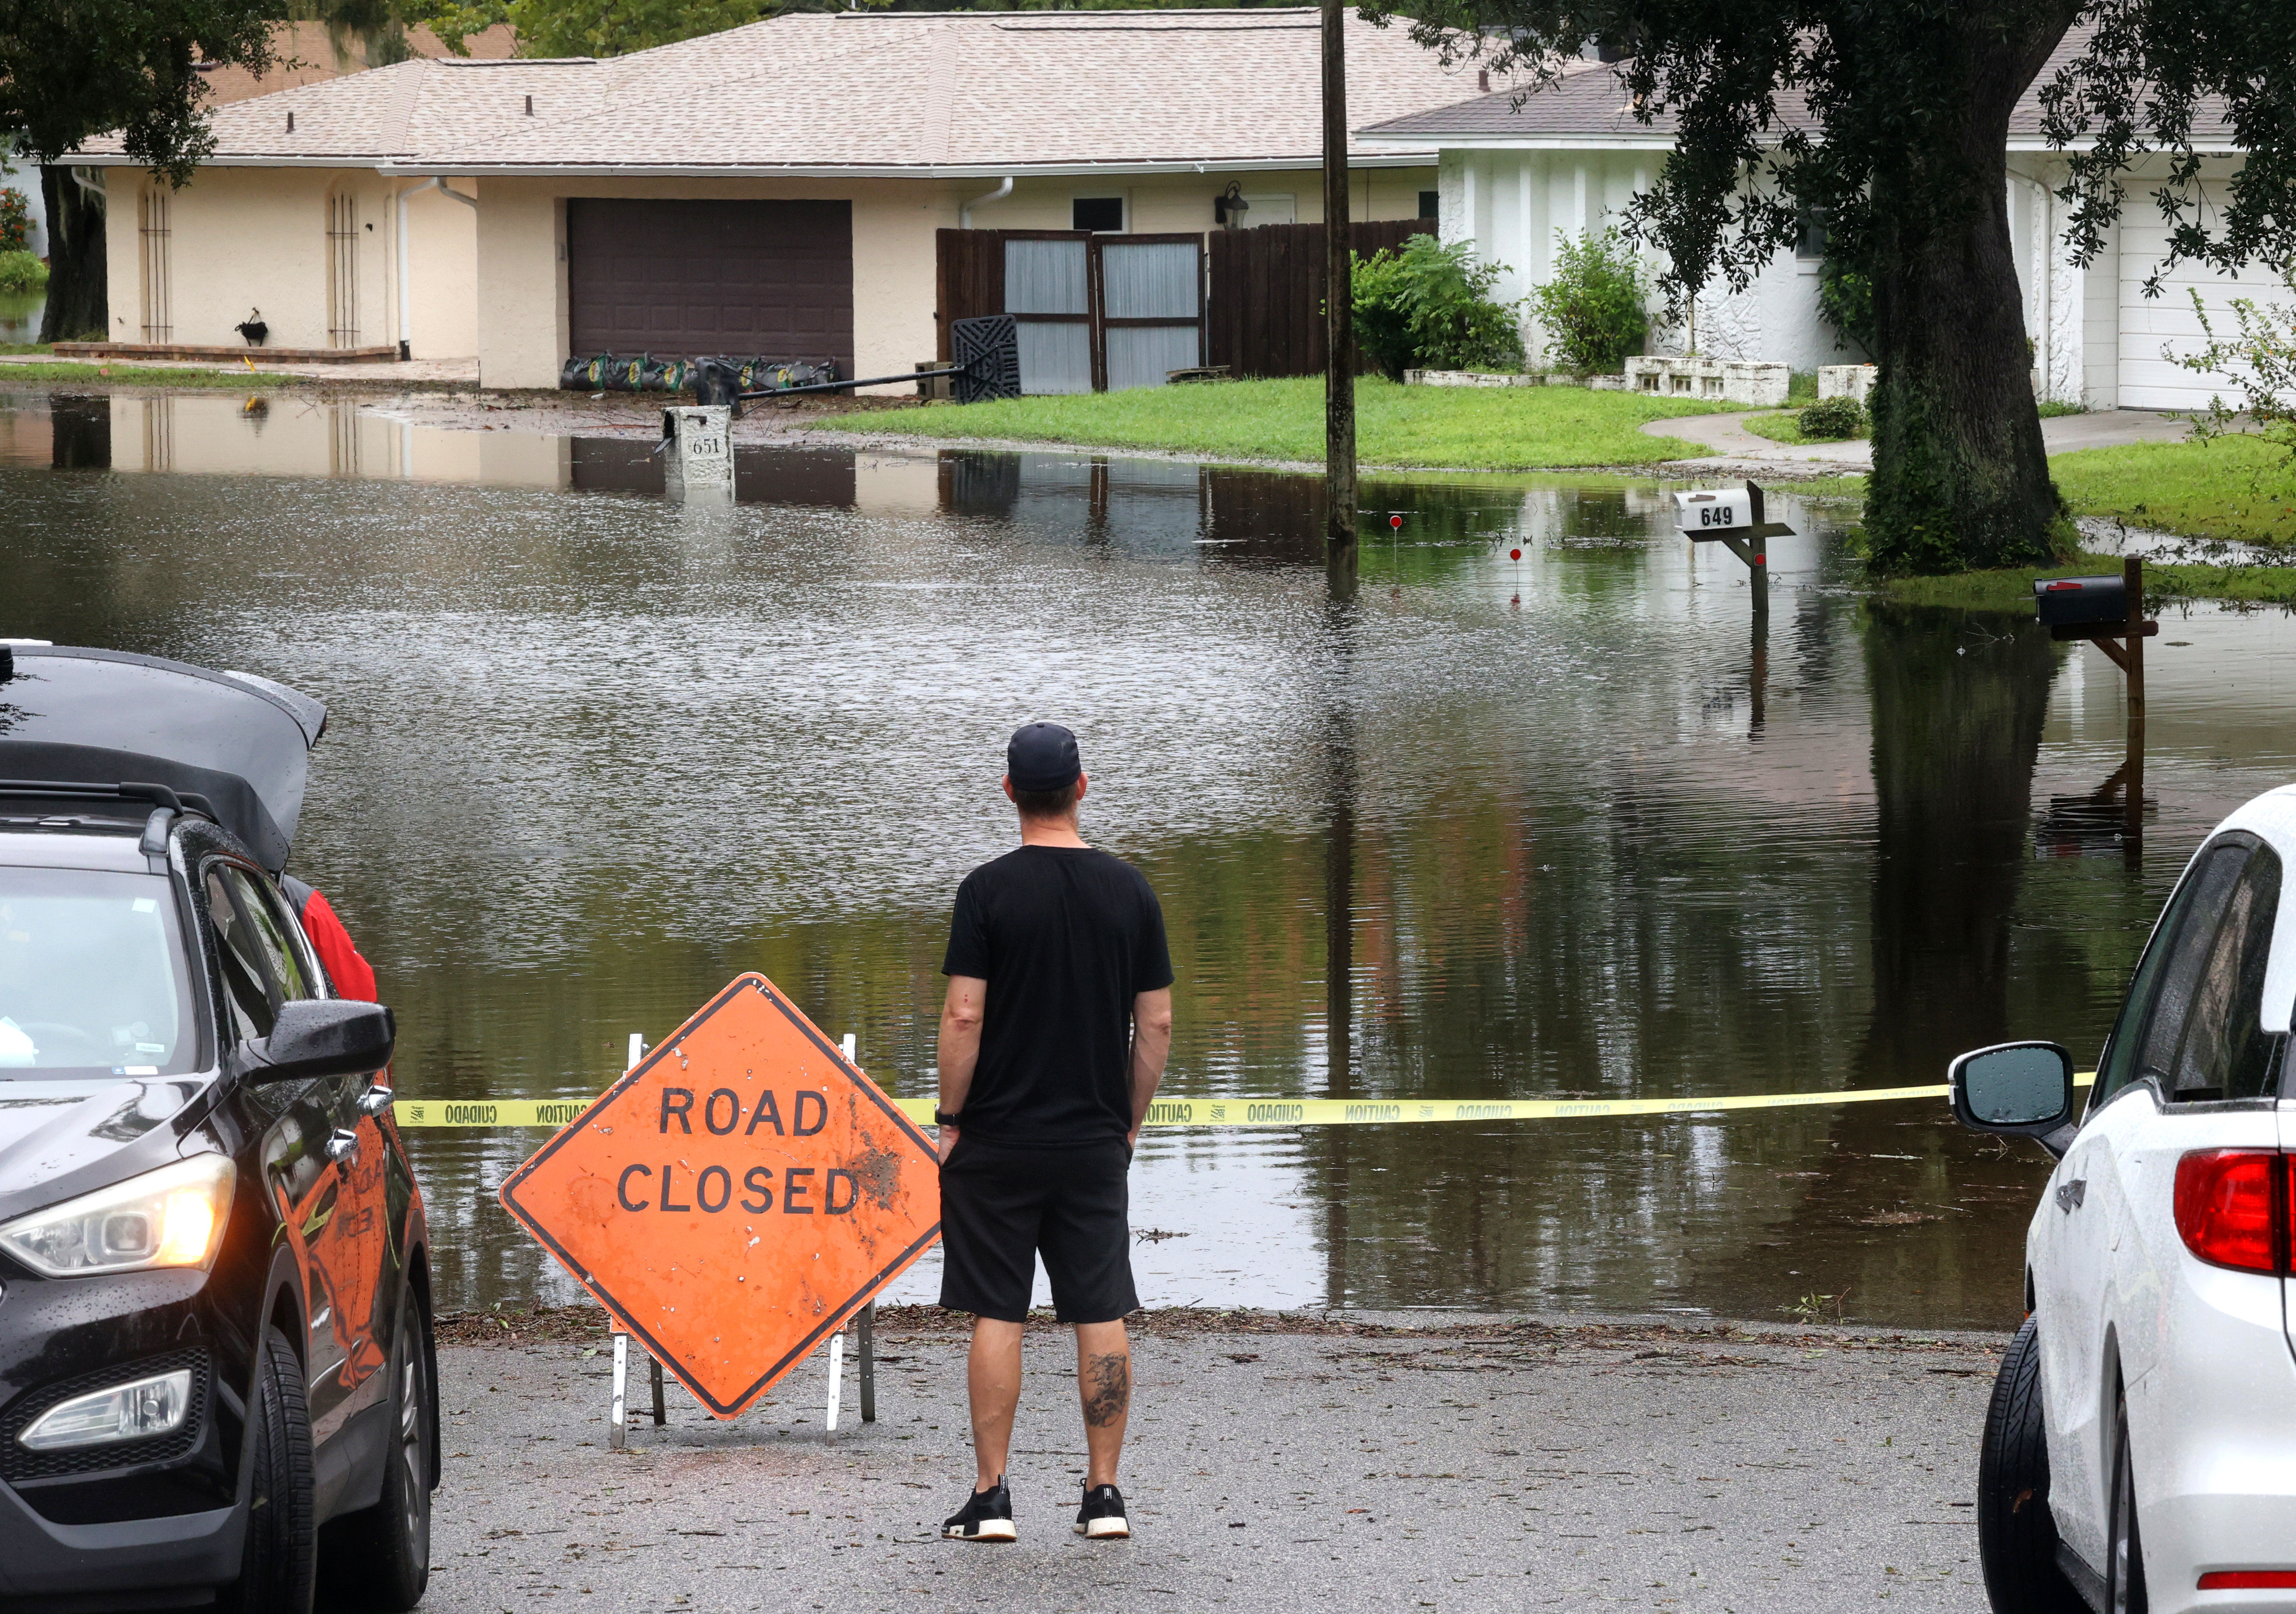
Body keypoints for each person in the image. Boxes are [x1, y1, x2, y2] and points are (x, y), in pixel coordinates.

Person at [934, 721, 1174, 1544]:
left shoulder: (986, 891)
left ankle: (992, 1497)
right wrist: (1128, 1122)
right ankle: (1104, 1495)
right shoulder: (1130, 891)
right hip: (1091, 1143)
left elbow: (964, 1013)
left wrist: (950, 1119)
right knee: (1099, 1306)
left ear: (1009, 792)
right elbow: (1158, 1024)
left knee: (998, 1309)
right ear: (1081, 787)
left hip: (997, 1139)